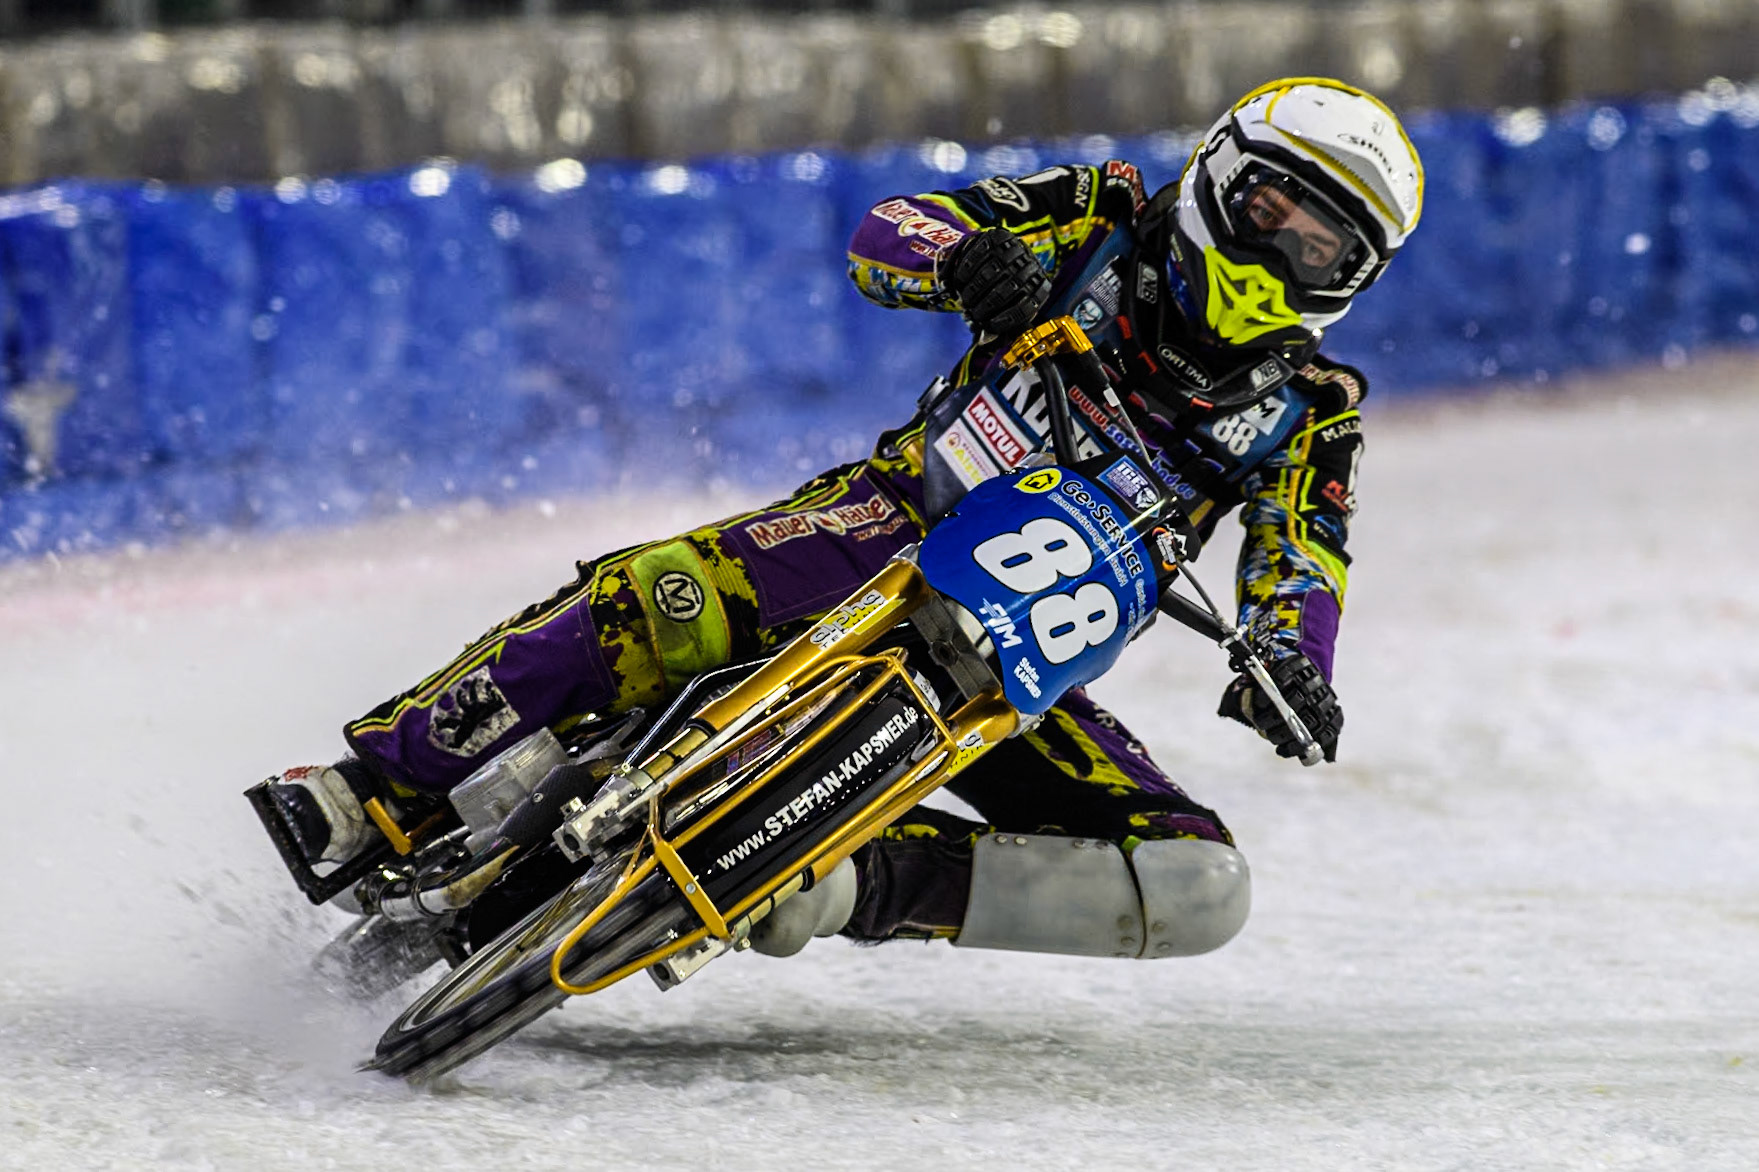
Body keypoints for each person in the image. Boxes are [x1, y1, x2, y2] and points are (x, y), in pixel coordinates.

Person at [261, 77, 1422, 961]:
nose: (1280, 244)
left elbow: (1305, 559)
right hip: (884, 521)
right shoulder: (1103, 212)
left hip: (1022, 667)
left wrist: (1294, 661)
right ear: (1221, 172)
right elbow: (889, 230)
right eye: (1270, 204)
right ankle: (380, 790)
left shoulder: (1310, 413)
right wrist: (966, 261)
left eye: (1317, 241)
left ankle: (844, 879)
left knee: (1199, 883)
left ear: (1352, 275)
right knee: (660, 597)